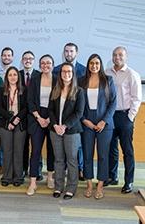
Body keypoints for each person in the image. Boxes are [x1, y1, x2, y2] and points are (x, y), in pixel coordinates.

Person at [79, 54, 116, 199]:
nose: (94, 66)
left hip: (104, 124)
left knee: (103, 156)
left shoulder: (108, 80)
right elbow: (77, 104)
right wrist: (83, 120)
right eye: (91, 63)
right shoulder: (82, 81)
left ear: (100, 65)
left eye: (97, 63)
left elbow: (113, 103)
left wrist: (104, 121)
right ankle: (89, 184)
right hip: (87, 122)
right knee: (87, 155)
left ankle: (100, 186)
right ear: (88, 65)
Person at [105, 46, 142, 194]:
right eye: (114, 55)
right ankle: (112, 176)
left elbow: (137, 98)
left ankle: (129, 181)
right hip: (110, 115)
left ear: (126, 57)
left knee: (127, 150)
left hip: (125, 116)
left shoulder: (132, 74)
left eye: (120, 55)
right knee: (111, 148)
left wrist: (130, 117)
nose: (117, 57)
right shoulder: (107, 73)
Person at [49, 63, 85, 200]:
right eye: (64, 71)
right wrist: (55, 125)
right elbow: (50, 110)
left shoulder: (79, 91)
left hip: (71, 131)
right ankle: (58, 187)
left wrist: (64, 126)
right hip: (55, 130)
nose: (66, 74)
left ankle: (71, 188)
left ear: (73, 73)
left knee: (71, 160)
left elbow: (79, 113)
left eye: (69, 71)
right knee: (58, 160)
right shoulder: (56, 89)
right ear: (60, 73)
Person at [53, 42, 86, 180]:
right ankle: (60, 179)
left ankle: (79, 172)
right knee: (59, 157)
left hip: (75, 119)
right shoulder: (56, 70)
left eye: (71, 51)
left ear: (76, 53)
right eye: (66, 51)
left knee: (75, 152)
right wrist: (56, 125)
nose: (68, 54)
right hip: (57, 123)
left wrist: (66, 125)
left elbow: (79, 108)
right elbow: (52, 106)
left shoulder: (84, 70)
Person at [26, 54, 56, 196]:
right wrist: (39, 118)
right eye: (43, 63)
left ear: (53, 65)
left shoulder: (57, 80)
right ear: (39, 65)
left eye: (48, 63)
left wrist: (50, 119)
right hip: (36, 118)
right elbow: (30, 101)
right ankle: (33, 182)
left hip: (53, 118)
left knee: (52, 150)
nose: (45, 65)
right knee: (36, 151)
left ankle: (50, 177)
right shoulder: (34, 79)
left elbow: (59, 101)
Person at [0, 66, 27, 187]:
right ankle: (7, 176)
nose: (13, 77)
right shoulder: (1, 90)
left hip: (20, 124)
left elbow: (26, 107)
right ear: (6, 77)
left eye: (15, 75)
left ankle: (18, 176)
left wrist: (16, 120)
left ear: (18, 77)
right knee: (7, 151)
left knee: (18, 151)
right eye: (10, 75)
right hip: (5, 124)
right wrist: (10, 119)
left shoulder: (24, 90)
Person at [19, 51, 41, 179]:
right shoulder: (18, 74)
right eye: (25, 58)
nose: (28, 60)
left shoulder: (39, 75)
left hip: (35, 116)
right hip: (21, 115)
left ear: (34, 61)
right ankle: (23, 169)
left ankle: (36, 171)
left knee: (36, 145)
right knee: (23, 145)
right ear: (22, 61)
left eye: (30, 58)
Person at [0, 47, 15, 174]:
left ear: (12, 57)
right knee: (3, 141)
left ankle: (14, 164)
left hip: (16, 113)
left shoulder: (16, 72)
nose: (6, 57)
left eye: (9, 55)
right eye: (4, 55)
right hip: (1, 111)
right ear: (1, 57)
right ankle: (2, 164)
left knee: (16, 142)